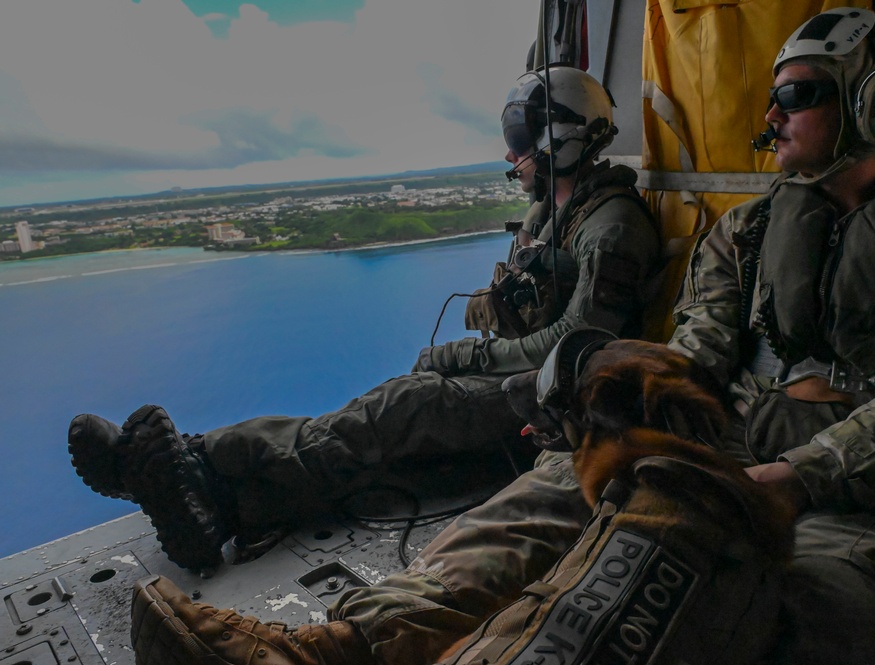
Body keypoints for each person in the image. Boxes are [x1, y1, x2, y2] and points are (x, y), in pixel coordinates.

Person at [128, 8, 875, 665]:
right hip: (725, 450)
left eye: (795, 97)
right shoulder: (746, 233)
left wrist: (791, 478)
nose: (770, 117)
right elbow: (697, 350)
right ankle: (339, 647)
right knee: (548, 495)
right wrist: (623, 406)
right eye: (771, 96)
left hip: (864, 513)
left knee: (709, 587)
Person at [68, 65, 660, 571]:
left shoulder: (612, 226)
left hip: (564, 401)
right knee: (387, 405)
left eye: (520, 137)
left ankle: (205, 490)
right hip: (527, 381)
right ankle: (195, 467)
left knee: (401, 407)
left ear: (559, 137)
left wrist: (463, 355)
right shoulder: (553, 215)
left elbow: (582, 344)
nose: (510, 152)